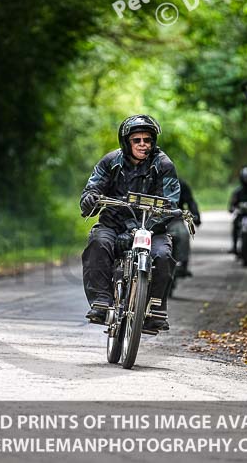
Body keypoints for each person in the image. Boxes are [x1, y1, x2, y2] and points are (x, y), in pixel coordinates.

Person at [79, 114, 180, 332]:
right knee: (98, 242)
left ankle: (155, 309)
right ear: (127, 142)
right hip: (113, 224)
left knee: (163, 254)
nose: (143, 144)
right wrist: (89, 199)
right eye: (137, 140)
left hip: (152, 228)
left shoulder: (164, 165)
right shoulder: (110, 161)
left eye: (147, 140)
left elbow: (170, 202)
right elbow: (92, 188)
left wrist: (140, 230)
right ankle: (101, 302)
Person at [167, 179, 201, 278]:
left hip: (175, 218)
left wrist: (196, 215)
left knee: (183, 235)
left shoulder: (180, 184)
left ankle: (182, 264)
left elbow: (190, 201)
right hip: (153, 218)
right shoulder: (149, 180)